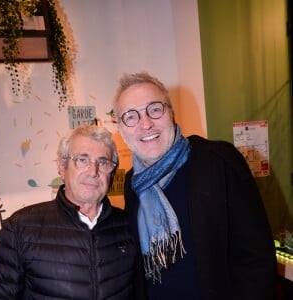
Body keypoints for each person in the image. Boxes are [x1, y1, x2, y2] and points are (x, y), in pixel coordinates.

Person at [113, 71, 277, 300]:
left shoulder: (219, 161)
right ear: (120, 129)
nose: (146, 124)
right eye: (131, 116)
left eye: (155, 109)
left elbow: (257, 258)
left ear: (171, 113)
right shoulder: (133, 185)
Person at [0, 124, 137, 299]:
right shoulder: (19, 228)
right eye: (82, 160)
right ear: (62, 166)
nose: (93, 171)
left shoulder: (128, 224)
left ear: (112, 172)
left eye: (103, 162)